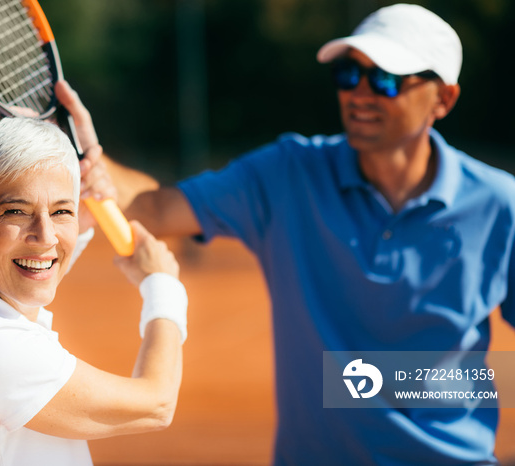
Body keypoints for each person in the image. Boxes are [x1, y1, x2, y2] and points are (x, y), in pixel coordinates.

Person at [66, 3, 515, 465]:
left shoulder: (501, 205)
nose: (359, 93)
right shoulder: (288, 173)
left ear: (444, 99)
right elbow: (156, 209)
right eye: (348, 74)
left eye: (386, 79)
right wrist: (81, 152)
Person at [0, 117, 188, 465]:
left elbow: (28, 269)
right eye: (16, 211)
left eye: (61, 211)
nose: (47, 236)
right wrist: (162, 284)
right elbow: (156, 404)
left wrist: (75, 229)